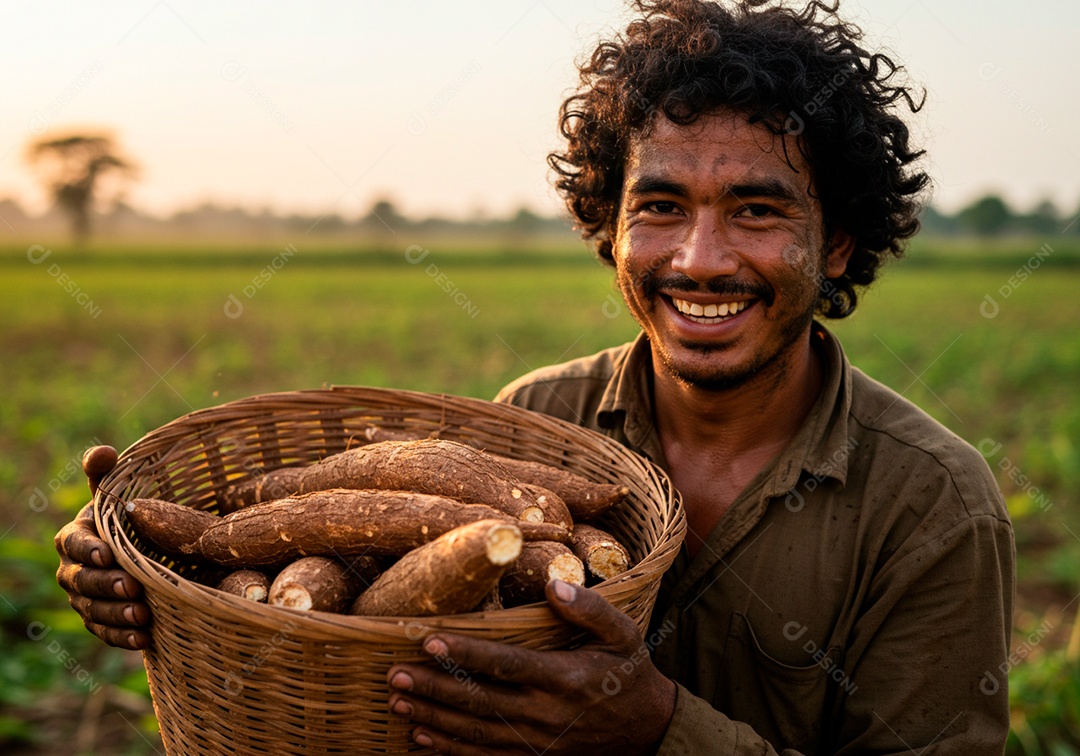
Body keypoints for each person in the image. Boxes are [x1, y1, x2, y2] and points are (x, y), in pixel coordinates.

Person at [55, 0, 1015, 752]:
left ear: (838, 242)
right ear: (611, 229)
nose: (699, 259)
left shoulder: (931, 504)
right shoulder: (532, 421)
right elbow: (384, 657)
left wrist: (656, 732)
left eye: (757, 211)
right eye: (662, 205)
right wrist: (168, 586)